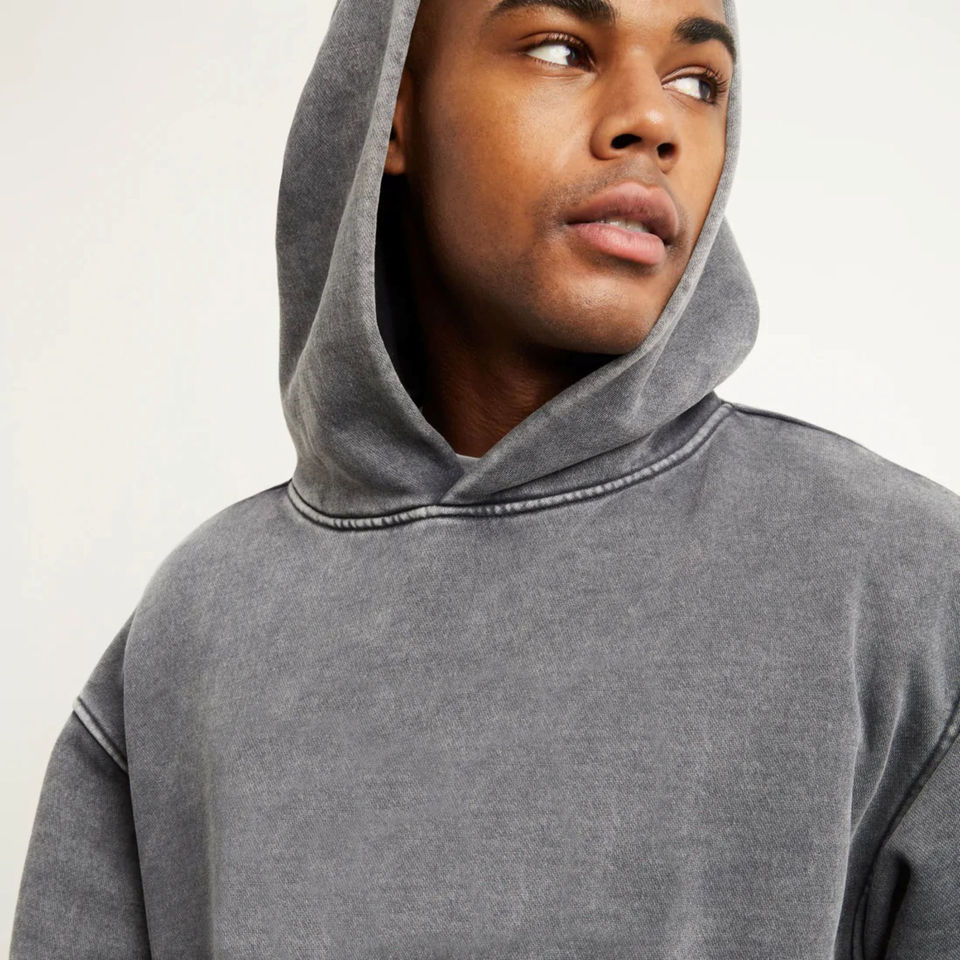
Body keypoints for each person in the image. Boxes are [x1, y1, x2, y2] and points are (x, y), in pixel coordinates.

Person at [9, 0, 959, 957]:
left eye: (697, 82)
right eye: (562, 49)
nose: (653, 120)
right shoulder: (197, 628)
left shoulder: (900, 591)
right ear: (393, 109)